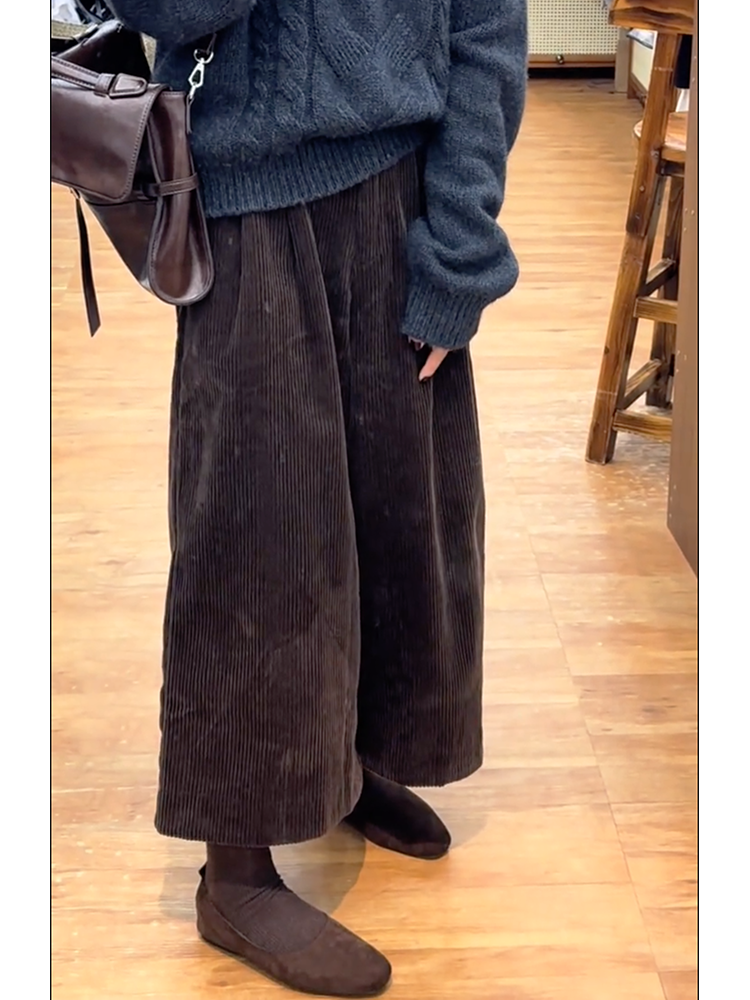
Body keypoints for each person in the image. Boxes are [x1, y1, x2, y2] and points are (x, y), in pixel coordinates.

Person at [110, 2, 527, 996]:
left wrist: (460, 249)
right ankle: (236, 871)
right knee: (257, 534)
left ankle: (353, 758)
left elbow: (486, 29)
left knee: (404, 514)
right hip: (247, 214)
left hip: (407, 198)